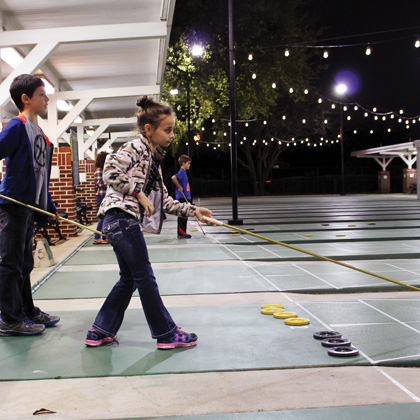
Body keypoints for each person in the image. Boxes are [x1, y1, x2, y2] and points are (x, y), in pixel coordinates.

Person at [85, 96, 213, 349]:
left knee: (129, 278)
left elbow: (165, 202)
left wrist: (195, 210)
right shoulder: (137, 147)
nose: (171, 135)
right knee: (144, 277)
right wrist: (138, 193)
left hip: (117, 222)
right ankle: (166, 333)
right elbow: (110, 170)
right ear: (148, 129)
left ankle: (100, 331)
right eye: (167, 130)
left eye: (172, 130)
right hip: (121, 219)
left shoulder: (151, 161)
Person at [0, 74, 60, 336]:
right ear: (26, 99)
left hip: (29, 208)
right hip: (12, 206)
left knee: (24, 264)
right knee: (10, 263)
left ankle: (26, 311)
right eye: (41, 95)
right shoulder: (16, 126)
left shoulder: (39, 133)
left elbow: (39, 176)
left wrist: (49, 206)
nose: (47, 99)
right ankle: (9, 319)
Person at [171, 155, 193, 238]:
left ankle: (183, 232)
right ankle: (181, 232)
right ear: (183, 163)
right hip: (182, 197)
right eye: (188, 163)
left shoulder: (184, 172)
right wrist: (179, 187)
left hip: (186, 196)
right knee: (182, 215)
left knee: (185, 215)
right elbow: (173, 178)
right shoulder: (182, 171)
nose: (189, 165)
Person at [93, 151, 109, 244]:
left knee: (106, 216)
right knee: (103, 216)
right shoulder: (99, 170)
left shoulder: (104, 169)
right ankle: (97, 236)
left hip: (105, 195)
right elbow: (99, 183)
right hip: (101, 195)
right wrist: (109, 182)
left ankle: (104, 236)